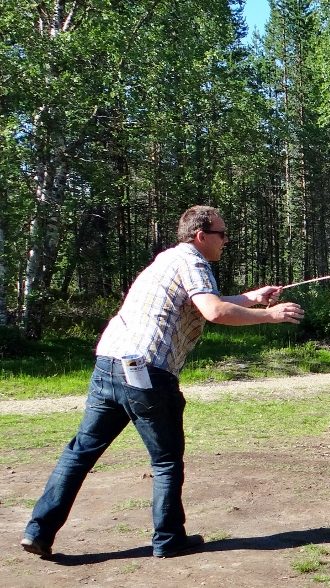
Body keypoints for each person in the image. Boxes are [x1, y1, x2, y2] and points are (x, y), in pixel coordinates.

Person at [20, 205, 305, 559]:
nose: (226, 240)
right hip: (147, 371)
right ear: (201, 236)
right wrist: (270, 315)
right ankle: (169, 539)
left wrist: (250, 299)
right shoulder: (195, 262)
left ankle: (38, 531)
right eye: (221, 234)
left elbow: (202, 302)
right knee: (166, 460)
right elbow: (214, 312)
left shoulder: (168, 259)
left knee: (80, 453)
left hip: (109, 363)